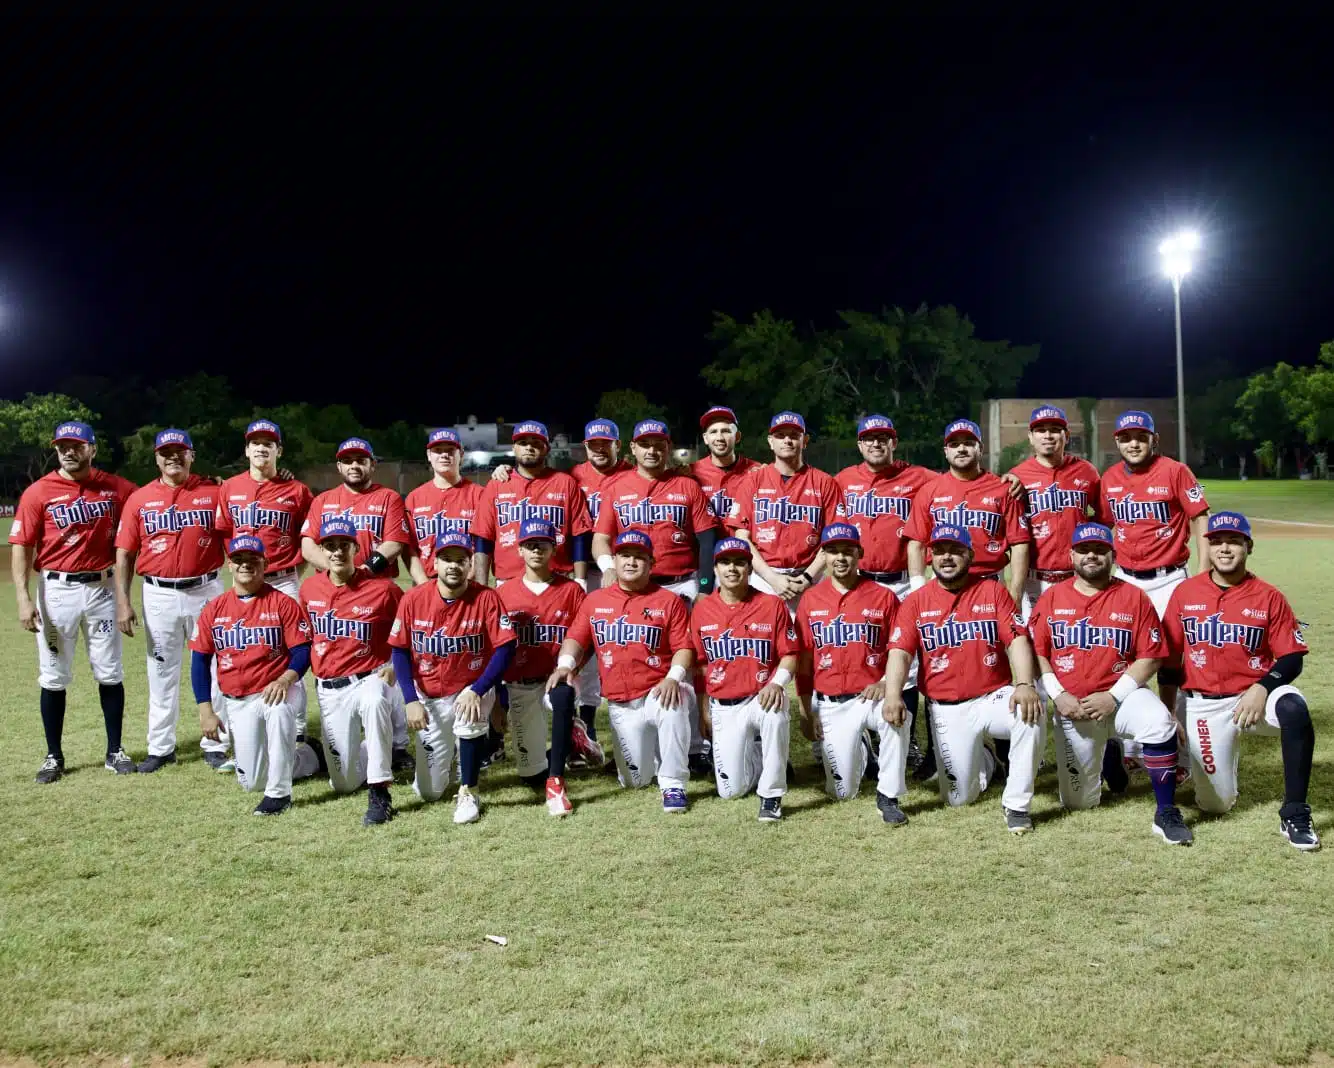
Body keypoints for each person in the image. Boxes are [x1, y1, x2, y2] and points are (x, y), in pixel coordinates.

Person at [1028, 522, 1193, 844]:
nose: (1092, 555)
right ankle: (1110, 755)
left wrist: (1113, 697)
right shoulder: (1051, 599)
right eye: (1084, 550)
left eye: (1100, 550)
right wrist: (1058, 694)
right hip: (1072, 704)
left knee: (1159, 723)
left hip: (1123, 694)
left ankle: (1166, 810)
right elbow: (1038, 652)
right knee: (1079, 802)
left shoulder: (1133, 597)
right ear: (1071, 555)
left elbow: (1153, 655)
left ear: (1113, 555)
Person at [1162, 512, 1319, 850]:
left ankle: (1294, 812)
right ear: (1208, 547)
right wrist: (1168, 709)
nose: (1225, 548)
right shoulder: (1185, 593)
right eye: (1217, 541)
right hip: (1204, 705)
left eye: (1233, 541)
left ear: (1248, 546)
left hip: (1255, 697)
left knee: (1294, 708)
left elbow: (1291, 657)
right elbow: (1170, 660)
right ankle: (1223, 762)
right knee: (1215, 805)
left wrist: (1263, 687)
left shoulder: (1268, 596)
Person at [884, 522, 1045, 834]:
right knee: (959, 798)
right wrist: (892, 694)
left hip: (992, 695)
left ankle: (1017, 805)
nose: (947, 557)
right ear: (930, 557)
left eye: (956, 551)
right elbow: (900, 653)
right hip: (947, 707)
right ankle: (985, 758)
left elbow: (1016, 639)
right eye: (940, 551)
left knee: (1031, 713)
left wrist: (1024, 684)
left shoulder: (992, 590)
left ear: (970, 555)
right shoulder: (916, 601)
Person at [11, 420, 138, 782]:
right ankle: (53, 755)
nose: (69, 451)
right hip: (56, 590)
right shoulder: (38, 492)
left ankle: (115, 750)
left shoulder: (116, 488)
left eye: (77, 445)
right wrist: (23, 597)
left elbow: (154, 498)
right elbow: (22, 546)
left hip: (102, 588)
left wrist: (212, 485)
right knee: (53, 676)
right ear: (56, 450)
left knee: (110, 671)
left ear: (91, 449)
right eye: (63, 445)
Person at [546, 530, 696, 813]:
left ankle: (674, 783)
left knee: (676, 700)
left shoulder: (668, 601)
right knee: (635, 781)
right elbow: (577, 638)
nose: (631, 562)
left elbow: (684, 648)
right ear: (614, 560)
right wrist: (565, 666)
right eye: (625, 556)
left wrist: (673, 678)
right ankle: (645, 755)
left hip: (658, 690)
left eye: (639, 557)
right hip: (620, 701)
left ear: (652, 563)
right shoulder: (595, 600)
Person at [1097, 409, 1210, 783]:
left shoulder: (1176, 471)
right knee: (1126, 657)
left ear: (1153, 440)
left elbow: (1199, 518)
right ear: (1117, 442)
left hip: (1170, 579)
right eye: (1127, 437)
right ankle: (1132, 746)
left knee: (1173, 662)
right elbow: (1104, 526)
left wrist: (1206, 574)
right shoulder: (1110, 478)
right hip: (1125, 578)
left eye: (1140, 437)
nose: (1133, 443)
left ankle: (1172, 743)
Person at [114, 428, 229, 773]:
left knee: (215, 667)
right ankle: (161, 747)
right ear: (156, 458)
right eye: (166, 452)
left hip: (206, 590)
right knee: (161, 670)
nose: (173, 457)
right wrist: (123, 601)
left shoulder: (214, 492)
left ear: (192, 455)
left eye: (180, 452)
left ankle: (216, 743)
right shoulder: (140, 498)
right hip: (159, 593)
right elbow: (124, 554)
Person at [388, 532, 516, 824]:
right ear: (435, 562)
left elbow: (506, 648)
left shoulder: (486, 598)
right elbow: (399, 651)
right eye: (447, 559)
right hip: (428, 694)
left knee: (470, 715)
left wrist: (481, 689)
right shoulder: (413, 599)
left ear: (470, 565)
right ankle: (446, 768)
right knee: (429, 791)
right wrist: (410, 700)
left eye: (461, 560)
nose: (454, 566)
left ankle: (469, 789)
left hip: (469, 688)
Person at [189, 535, 314, 816]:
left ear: (264, 564)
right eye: (239, 560)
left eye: (253, 560)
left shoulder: (282, 603)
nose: (246, 565)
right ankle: (308, 757)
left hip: (276, 689)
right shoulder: (214, 608)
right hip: (237, 699)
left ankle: (279, 795)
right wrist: (205, 710)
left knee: (280, 710)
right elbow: (199, 659)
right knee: (252, 781)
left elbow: (303, 650)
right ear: (229, 566)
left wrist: (286, 678)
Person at [796, 524, 911, 825]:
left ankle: (889, 795)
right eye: (833, 551)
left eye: (848, 551)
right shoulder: (810, 600)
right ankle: (862, 749)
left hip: (869, 696)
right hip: (831, 702)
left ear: (860, 554)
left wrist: (887, 684)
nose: (841, 558)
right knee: (842, 792)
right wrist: (805, 710)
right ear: (824, 556)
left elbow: (903, 650)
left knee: (898, 716)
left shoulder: (884, 597)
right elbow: (804, 661)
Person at [214, 419, 315, 746]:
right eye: (255, 442)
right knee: (239, 648)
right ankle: (240, 729)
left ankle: (296, 730)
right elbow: (224, 535)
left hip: (283, 580)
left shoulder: (297, 490)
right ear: (246, 449)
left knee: (290, 653)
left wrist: (294, 575)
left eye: (268, 443)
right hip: (241, 580)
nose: (261, 447)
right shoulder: (228, 488)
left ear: (278, 450)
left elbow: (308, 537)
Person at [299, 517, 404, 826]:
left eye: (344, 545)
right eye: (330, 546)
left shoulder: (383, 590)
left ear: (357, 548)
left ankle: (380, 792)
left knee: (375, 702)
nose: (337, 552)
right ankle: (355, 750)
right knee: (344, 782)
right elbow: (306, 638)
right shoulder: (309, 589)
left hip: (369, 677)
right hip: (329, 687)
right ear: (322, 550)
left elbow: (408, 630)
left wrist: (394, 666)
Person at [689, 537, 799, 820]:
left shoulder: (771, 604)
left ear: (750, 568)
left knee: (776, 712)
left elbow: (790, 654)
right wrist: (703, 708)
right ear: (715, 569)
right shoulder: (702, 610)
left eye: (740, 562)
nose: (732, 568)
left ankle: (772, 794)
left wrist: (777, 683)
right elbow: (701, 664)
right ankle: (763, 757)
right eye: (725, 562)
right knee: (731, 790)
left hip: (761, 696)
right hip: (724, 704)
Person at [496, 519, 593, 816]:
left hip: (556, 678)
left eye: (543, 543)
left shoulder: (572, 590)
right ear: (520, 550)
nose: (537, 549)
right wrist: (498, 701)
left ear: (554, 548)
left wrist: (572, 669)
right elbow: (495, 649)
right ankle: (571, 739)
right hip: (519, 683)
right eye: (530, 544)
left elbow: (586, 640)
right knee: (529, 774)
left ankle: (556, 781)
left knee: (563, 696)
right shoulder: (502, 593)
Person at [905, 418, 1030, 605]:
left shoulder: (1004, 488)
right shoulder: (929, 490)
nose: (961, 449)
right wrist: (917, 588)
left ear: (981, 448)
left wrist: (1016, 595)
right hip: (943, 583)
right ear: (946, 452)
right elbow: (916, 543)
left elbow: (1019, 544)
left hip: (990, 581)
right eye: (954, 444)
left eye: (969, 443)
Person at [593, 419, 718, 600]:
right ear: (633, 447)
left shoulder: (688, 485)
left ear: (668, 447)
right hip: (631, 585)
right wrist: (608, 567)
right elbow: (600, 539)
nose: (652, 451)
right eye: (644, 445)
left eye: (659, 445)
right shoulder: (616, 488)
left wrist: (705, 589)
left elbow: (707, 540)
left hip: (681, 585)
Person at [568, 418, 632, 743]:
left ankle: (608, 718)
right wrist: (502, 470)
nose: (600, 449)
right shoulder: (573, 476)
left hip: (624, 573)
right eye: (594, 445)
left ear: (617, 445)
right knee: (582, 647)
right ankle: (583, 722)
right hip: (584, 574)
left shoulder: (632, 475)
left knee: (617, 644)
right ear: (586, 447)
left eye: (606, 444)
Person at [1006, 405, 1101, 619]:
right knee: (1033, 646)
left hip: (1077, 577)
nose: (1048, 435)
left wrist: (1085, 535)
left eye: (1055, 429)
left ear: (1066, 435)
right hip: (1033, 580)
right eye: (1040, 430)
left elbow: (1104, 517)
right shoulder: (1017, 476)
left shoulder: (1086, 471)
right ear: (1031, 437)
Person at [472, 420, 591, 588]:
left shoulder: (566, 483)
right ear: (514, 448)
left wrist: (581, 580)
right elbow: (483, 538)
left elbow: (580, 535)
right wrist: (481, 586)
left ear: (547, 448)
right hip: (509, 580)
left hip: (557, 580)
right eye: (523, 443)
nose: (529, 447)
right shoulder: (497, 485)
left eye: (536, 443)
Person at [300, 436, 411, 579]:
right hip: (331, 584)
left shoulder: (389, 497)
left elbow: (394, 544)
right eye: (347, 461)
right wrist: (338, 571)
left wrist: (365, 570)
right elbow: (308, 547)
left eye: (360, 460)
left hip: (376, 582)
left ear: (372, 464)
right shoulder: (322, 500)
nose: (354, 465)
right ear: (339, 466)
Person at [405, 428, 484, 585]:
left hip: (467, 583)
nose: (444, 455)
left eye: (450, 450)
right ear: (429, 455)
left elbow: (483, 545)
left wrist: (467, 580)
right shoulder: (414, 498)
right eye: (437, 450)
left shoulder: (479, 495)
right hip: (425, 582)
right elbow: (408, 548)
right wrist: (423, 584)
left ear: (461, 454)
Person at [691, 405, 759, 530]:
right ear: (705, 438)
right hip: (705, 548)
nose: (719, 438)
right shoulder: (691, 472)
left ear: (737, 436)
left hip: (743, 547)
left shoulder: (757, 471)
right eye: (713, 432)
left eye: (726, 431)